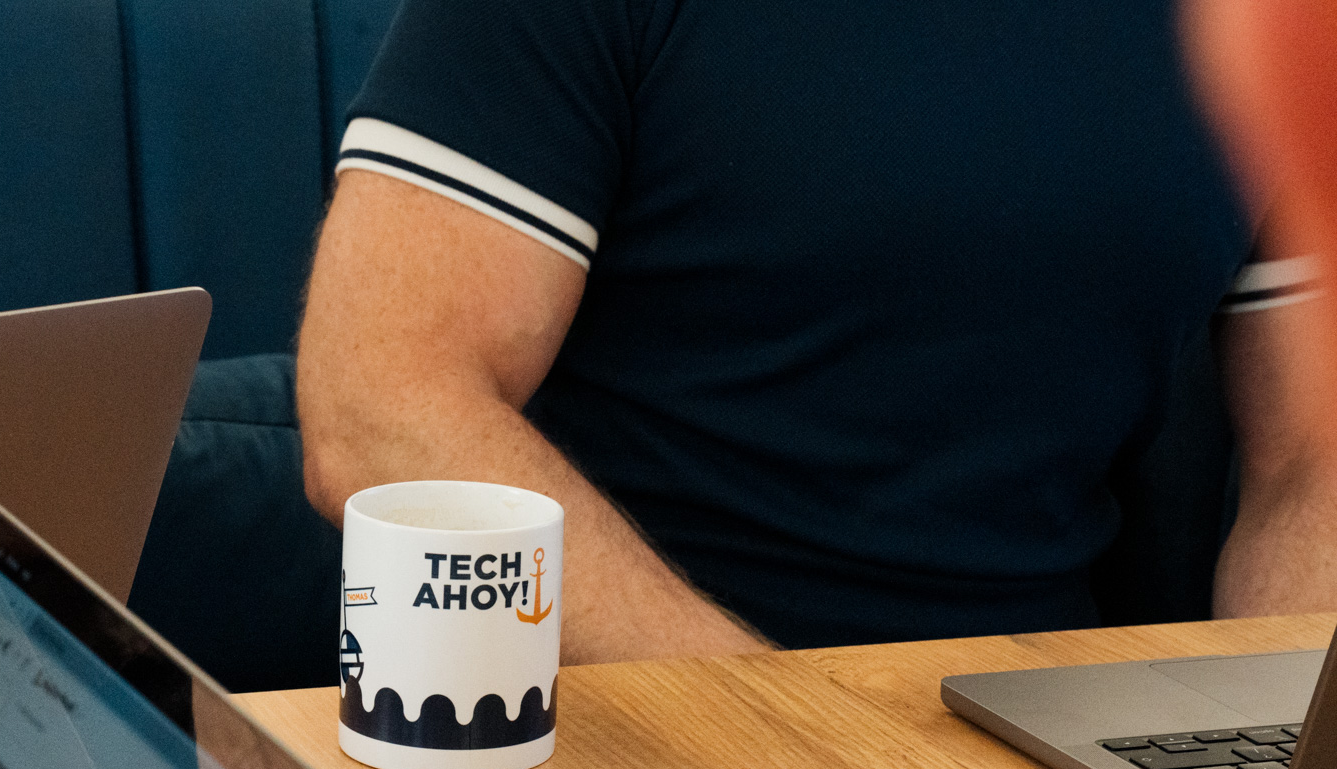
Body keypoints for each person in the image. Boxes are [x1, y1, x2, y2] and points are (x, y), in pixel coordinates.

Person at [295, 0, 1334, 666]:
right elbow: (381, 404)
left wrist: (1279, 765)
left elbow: (1314, 457)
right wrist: (781, 725)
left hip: (1047, 764)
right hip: (629, 729)